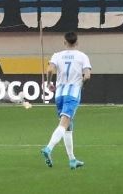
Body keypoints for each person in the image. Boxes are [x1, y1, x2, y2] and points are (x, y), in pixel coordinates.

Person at [41, 32, 91, 170]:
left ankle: (72, 160)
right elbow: (87, 76)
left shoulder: (57, 55)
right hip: (72, 94)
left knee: (68, 126)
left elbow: (50, 69)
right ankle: (48, 148)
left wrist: (49, 83)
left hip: (59, 94)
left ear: (65, 42)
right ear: (77, 42)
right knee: (64, 124)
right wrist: (81, 85)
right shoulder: (82, 56)